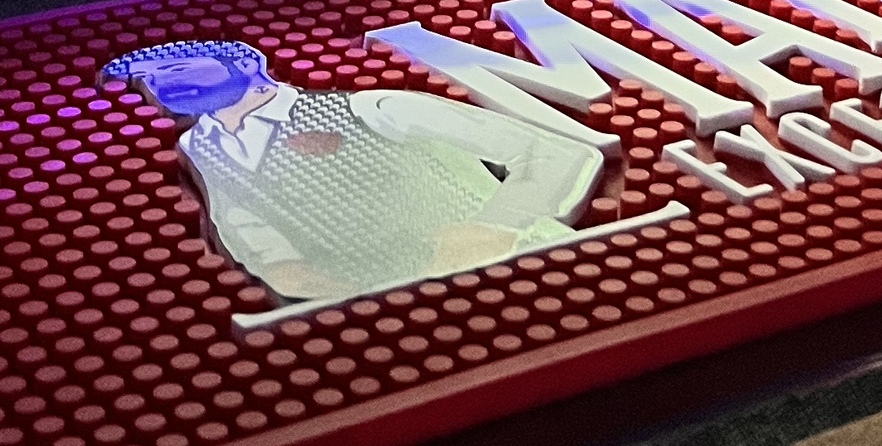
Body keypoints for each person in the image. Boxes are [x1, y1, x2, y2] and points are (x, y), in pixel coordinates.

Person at [100, 38, 605, 308]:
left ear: (248, 65)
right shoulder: (200, 146)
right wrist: (293, 277)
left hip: (511, 280)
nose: (161, 86)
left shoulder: (372, 107)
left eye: (177, 68)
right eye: (148, 80)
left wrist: (494, 226)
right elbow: (249, 234)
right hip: (377, 312)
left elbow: (555, 155)